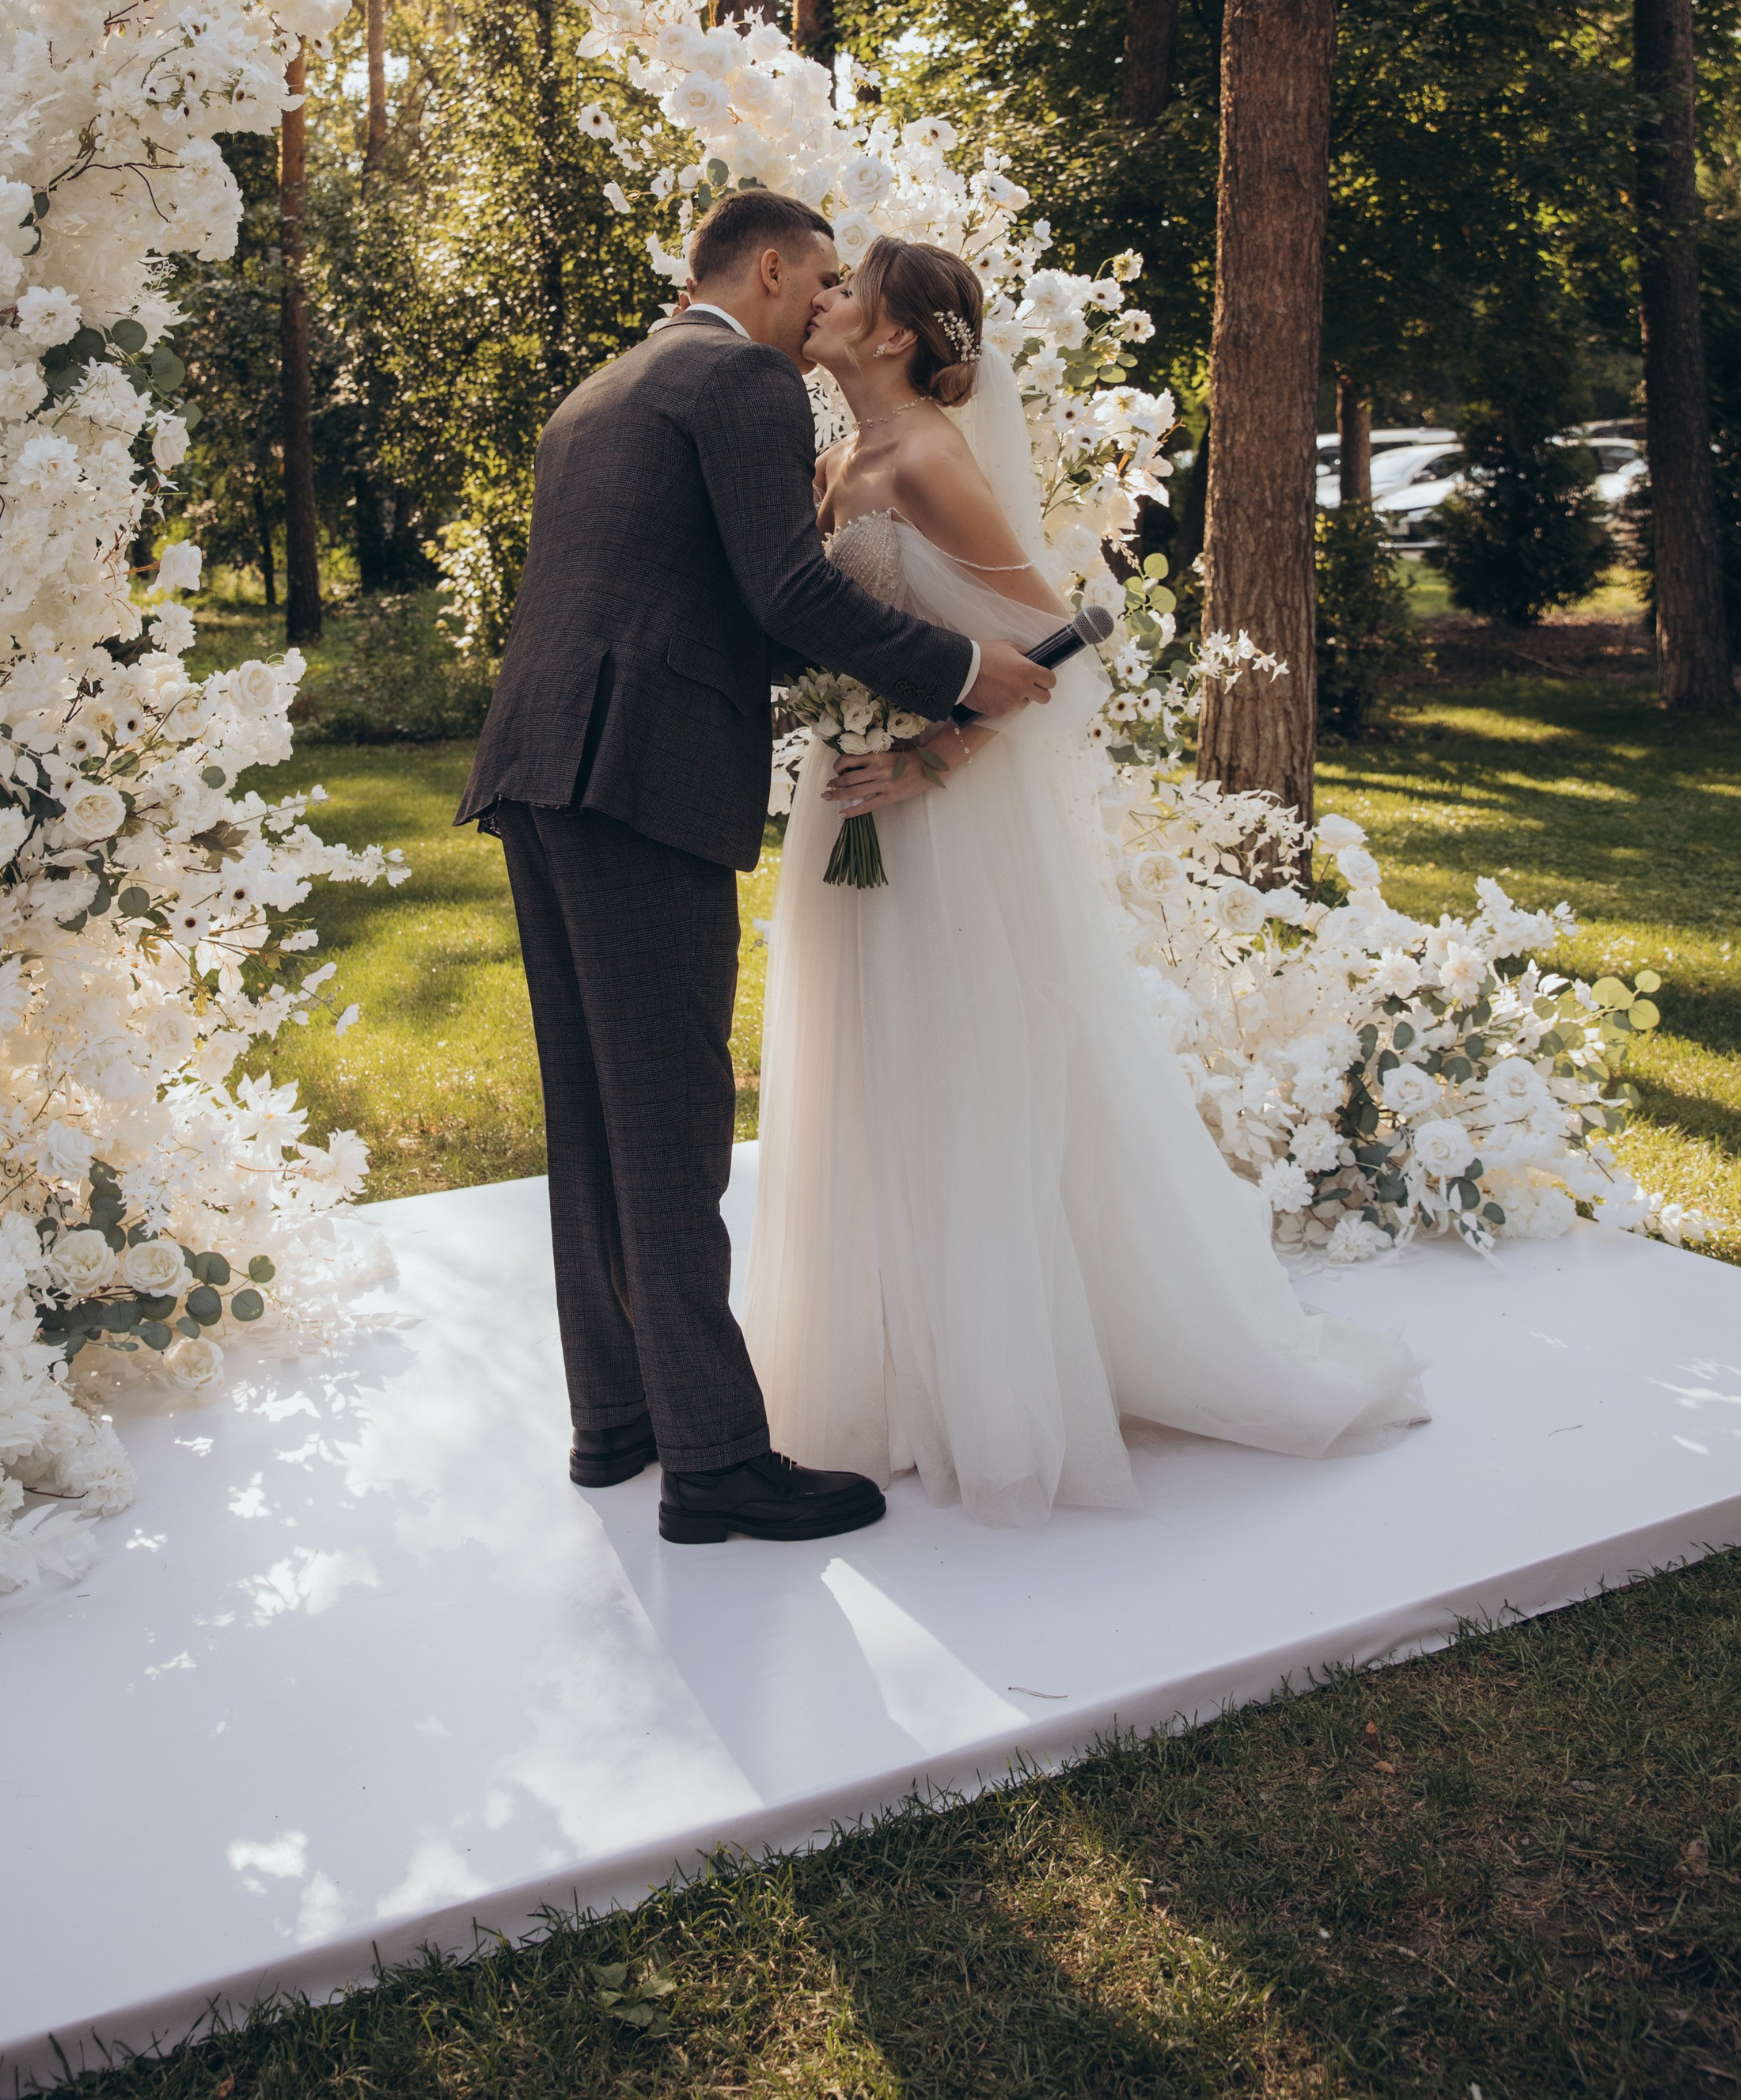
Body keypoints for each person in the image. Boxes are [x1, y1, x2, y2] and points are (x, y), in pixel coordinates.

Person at [741, 235, 1427, 1528]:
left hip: (937, 819)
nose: (821, 303)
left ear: (892, 338)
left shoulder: (933, 463)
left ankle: (999, 1378)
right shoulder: (830, 466)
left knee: (958, 1069)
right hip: (842, 813)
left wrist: (932, 758)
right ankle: (873, 1372)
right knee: (856, 1066)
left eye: (846, 292)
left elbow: (1055, 642)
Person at [457, 189, 1057, 1545]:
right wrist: (966, 671)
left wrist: (912, 705)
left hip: (542, 766)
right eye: (825, 278)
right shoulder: (739, 380)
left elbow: (711, 598)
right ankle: (718, 1465)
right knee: (670, 1122)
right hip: (639, 779)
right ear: (776, 270)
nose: (827, 305)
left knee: (596, 1118)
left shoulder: (605, 389)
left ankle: (618, 1424)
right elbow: (786, 597)